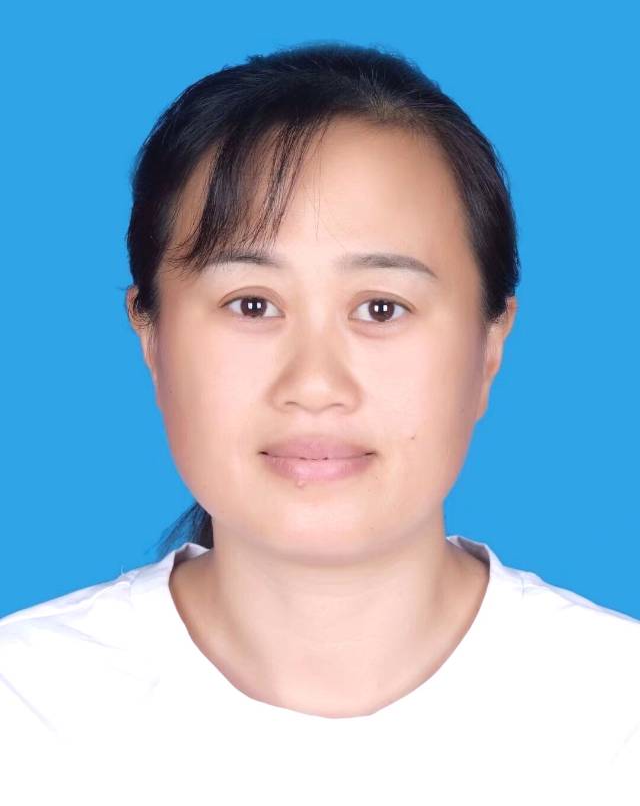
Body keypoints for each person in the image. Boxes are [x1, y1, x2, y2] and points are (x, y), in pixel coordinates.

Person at [0, 41, 637, 805]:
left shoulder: (617, 720)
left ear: (490, 343)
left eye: (381, 308)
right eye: (251, 304)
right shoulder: (24, 712)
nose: (314, 384)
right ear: (151, 335)